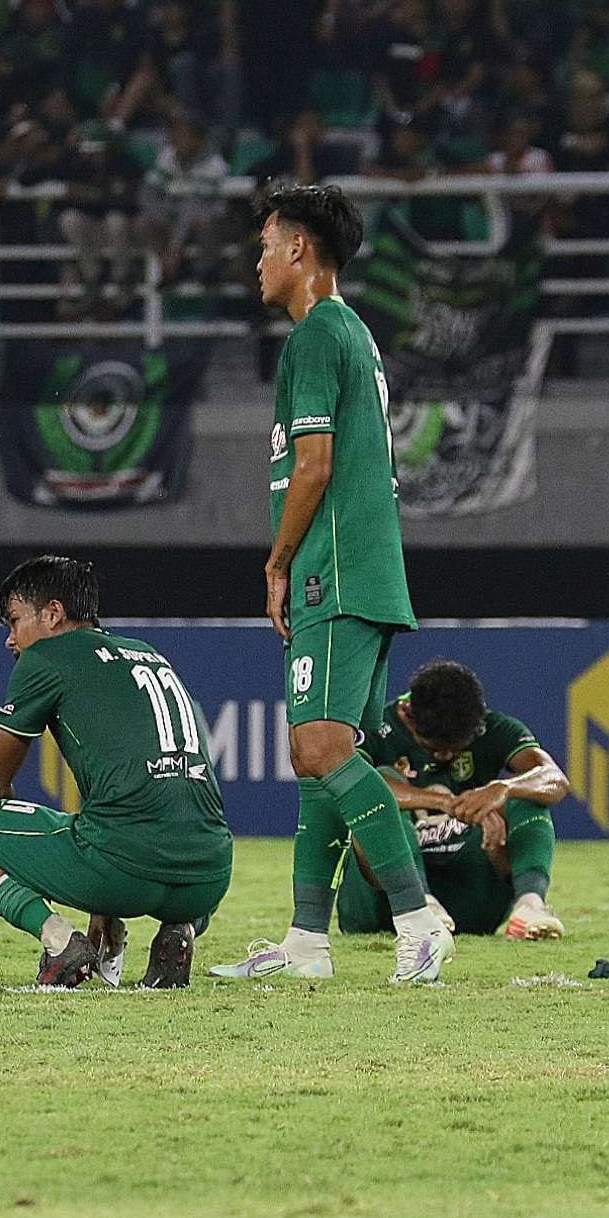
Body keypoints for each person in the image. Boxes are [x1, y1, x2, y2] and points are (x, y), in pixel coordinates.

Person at [211, 182, 453, 987]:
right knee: (324, 754)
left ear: (299, 251)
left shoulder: (317, 336)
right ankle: (307, 939)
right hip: (365, 572)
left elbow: (312, 465)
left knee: (317, 747)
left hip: (335, 574)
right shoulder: (354, 334)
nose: (258, 261)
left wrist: (278, 561)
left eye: (265, 244)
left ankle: (419, 919)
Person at [0, 556, 232, 989]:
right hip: (208, 877)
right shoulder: (149, 655)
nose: (10, 639)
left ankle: (59, 942)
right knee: (138, 827)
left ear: (53, 614)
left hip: (122, 872)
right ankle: (179, 931)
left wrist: (95, 888)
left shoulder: (45, 659)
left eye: (15, 621)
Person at [335, 661, 570, 941]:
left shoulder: (493, 727)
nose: (445, 757)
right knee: (377, 792)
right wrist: (443, 802)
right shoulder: (375, 729)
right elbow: (350, 783)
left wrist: (503, 787)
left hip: (466, 895)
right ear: (407, 714)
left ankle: (529, 906)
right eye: (433, 748)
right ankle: (420, 904)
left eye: (456, 748)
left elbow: (554, 778)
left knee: (527, 794)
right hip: (383, 902)